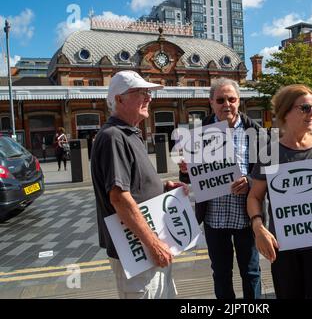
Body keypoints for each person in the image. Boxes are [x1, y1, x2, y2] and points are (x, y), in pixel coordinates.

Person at [91, 70, 188, 299]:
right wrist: (153, 245)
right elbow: (119, 197)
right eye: (141, 92)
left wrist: (163, 188)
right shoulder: (113, 136)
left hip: (146, 249)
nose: (149, 98)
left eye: (149, 92)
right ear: (119, 99)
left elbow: (132, 186)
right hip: (137, 250)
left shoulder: (130, 134)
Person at [247, 84, 312, 299]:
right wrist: (259, 228)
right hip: (285, 249)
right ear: (285, 112)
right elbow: (255, 196)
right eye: (304, 108)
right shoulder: (270, 153)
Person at [179, 78, 267, 299]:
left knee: (251, 272)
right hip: (214, 217)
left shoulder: (257, 133)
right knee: (220, 273)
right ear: (211, 102)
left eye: (231, 99)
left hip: (246, 216)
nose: (226, 104)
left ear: (239, 101)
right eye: (220, 99)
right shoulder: (198, 133)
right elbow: (190, 176)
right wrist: (185, 169)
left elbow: (269, 173)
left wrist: (249, 181)